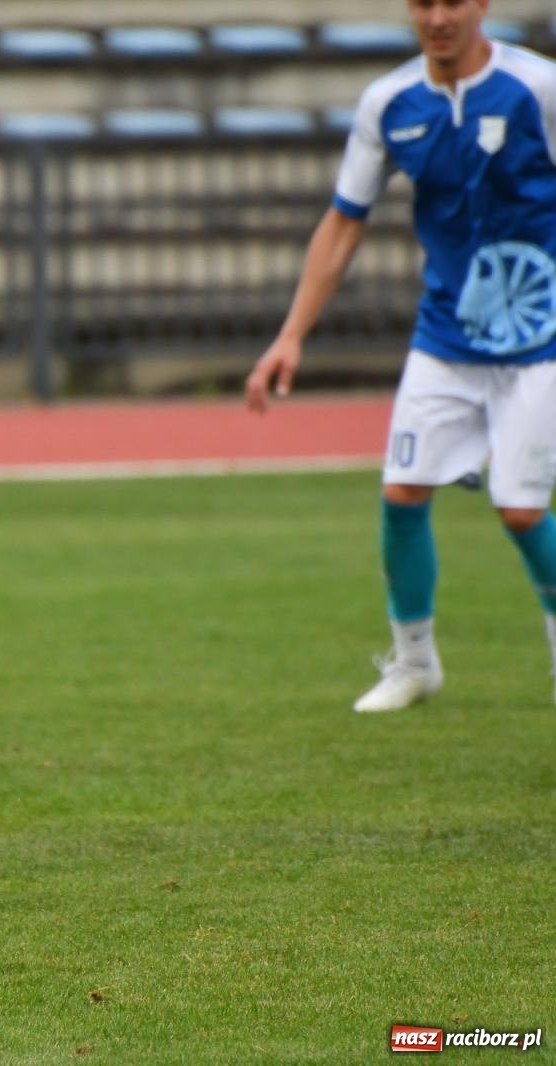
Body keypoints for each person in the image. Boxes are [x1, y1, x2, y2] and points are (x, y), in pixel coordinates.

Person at [247, 0, 556, 712]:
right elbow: (343, 222)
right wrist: (291, 334)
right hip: (445, 334)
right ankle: (413, 662)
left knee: (520, 510)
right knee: (402, 494)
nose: (438, 17)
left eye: (453, 1)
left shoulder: (537, 88)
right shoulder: (388, 102)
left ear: (481, 5)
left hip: (540, 337)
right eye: (423, 3)